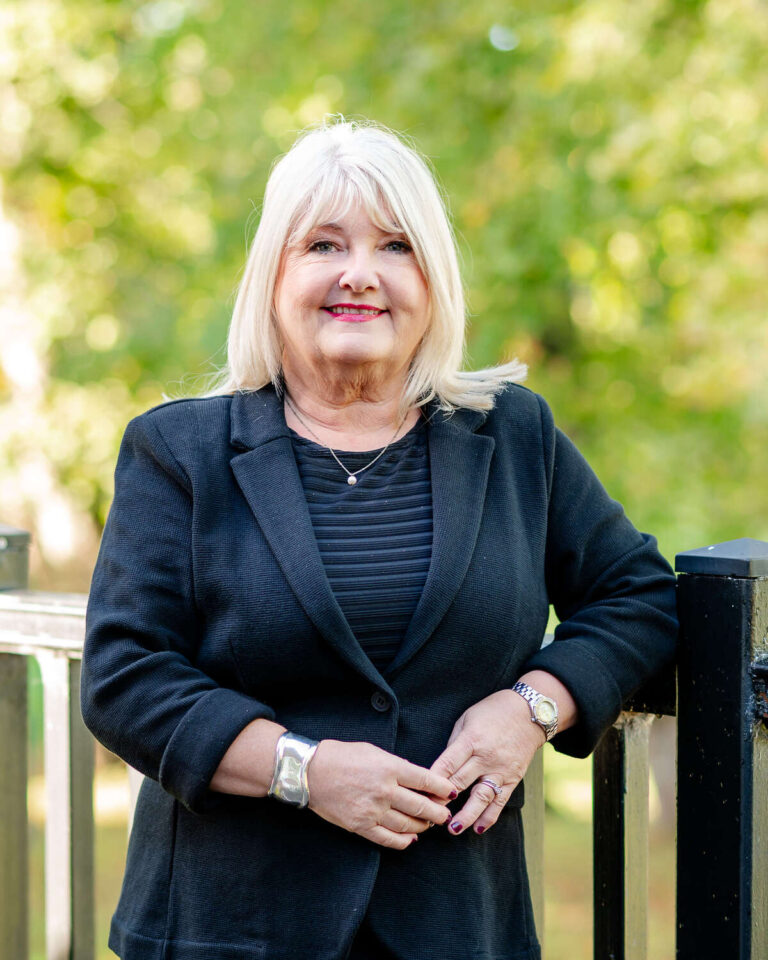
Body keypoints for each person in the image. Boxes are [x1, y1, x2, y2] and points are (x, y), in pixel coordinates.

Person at [81, 118, 678, 960]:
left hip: (456, 927)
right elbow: (125, 677)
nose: (360, 273)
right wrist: (305, 770)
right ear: (274, 274)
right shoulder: (178, 452)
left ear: (432, 280)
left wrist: (533, 707)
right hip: (228, 928)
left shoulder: (513, 436)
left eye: (396, 246)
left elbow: (639, 594)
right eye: (324, 244)